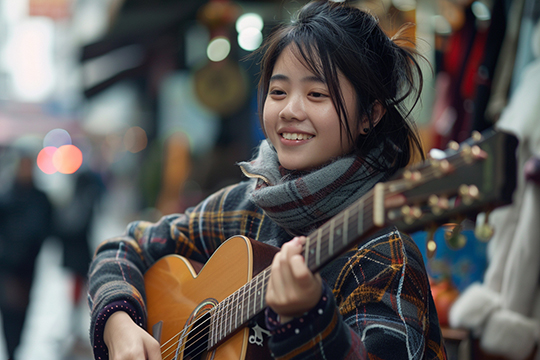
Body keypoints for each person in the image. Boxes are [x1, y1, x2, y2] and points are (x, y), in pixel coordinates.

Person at [88, 1, 447, 359]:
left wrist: (312, 321)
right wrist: (119, 324)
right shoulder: (242, 208)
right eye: (278, 92)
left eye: (316, 94)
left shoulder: (384, 256)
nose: (290, 110)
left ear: (369, 114)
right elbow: (123, 248)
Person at [0, 153, 53, 360]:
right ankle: (12, 351)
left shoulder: (40, 198)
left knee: (23, 311)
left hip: (29, 266)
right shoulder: (7, 196)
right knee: (9, 310)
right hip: (8, 267)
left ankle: (16, 348)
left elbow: (48, 227)